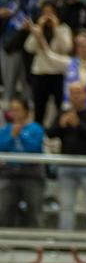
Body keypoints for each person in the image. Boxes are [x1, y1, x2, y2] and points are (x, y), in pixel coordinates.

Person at [47, 82, 86, 231]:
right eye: (72, 93)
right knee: (66, 205)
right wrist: (61, 125)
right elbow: (50, 133)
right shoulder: (63, 113)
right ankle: (66, 241)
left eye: (79, 93)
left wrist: (79, 124)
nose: (75, 96)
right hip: (66, 165)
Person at [0, 96, 45, 227]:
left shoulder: (35, 128)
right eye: (12, 110)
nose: (14, 113)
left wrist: (20, 135)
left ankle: (36, 243)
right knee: (5, 208)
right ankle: (6, 242)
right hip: (9, 172)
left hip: (31, 173)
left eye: (18, 109)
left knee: (34, 209)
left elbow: (35, 148)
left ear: (26, 111)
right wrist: (12, 136)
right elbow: (2, 147)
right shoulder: (6, 129)